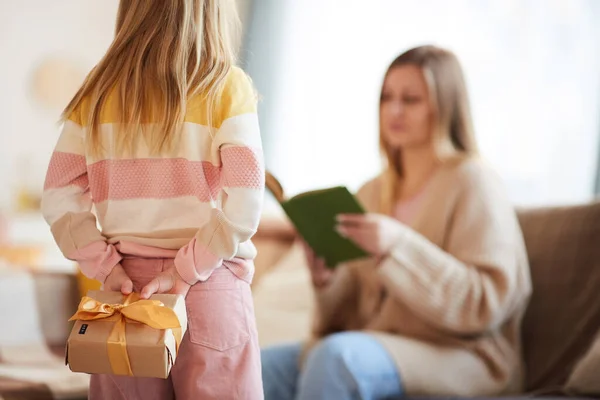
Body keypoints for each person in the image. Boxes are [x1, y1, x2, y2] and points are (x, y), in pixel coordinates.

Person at [261, 45, 532, 399]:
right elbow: (350, 313)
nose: (395, 110)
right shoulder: (372, 191)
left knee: (337, 359)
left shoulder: (474, 181)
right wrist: (326, 281)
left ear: (445, 106)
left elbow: (485, 302)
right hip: (379, 343)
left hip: (459, 354)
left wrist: (398, 246)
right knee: (258, 366)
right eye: (387, 97)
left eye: (411, 99)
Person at [41, 1, 264, 399]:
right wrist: (185, 270)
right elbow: (245, 201)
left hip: (126, 293)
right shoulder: (226, 87)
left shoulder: (96, 92)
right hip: (209, 286)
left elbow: (59, 197)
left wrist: (105, 267)